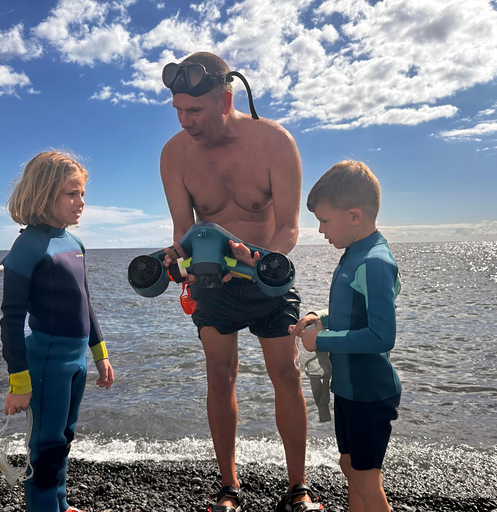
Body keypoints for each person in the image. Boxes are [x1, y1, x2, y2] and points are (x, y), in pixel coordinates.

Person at [160, 51, 323, 512]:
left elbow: (289, 227)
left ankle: (298, 489)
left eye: (195, 111)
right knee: (219, 375)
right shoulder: (174, 154)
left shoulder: (274, 142)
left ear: (226, 98)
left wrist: (263, 260)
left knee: (286, 374)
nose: (185, 121)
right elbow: (182, 229)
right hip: (213, 284)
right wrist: (180, 261)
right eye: (178, 111)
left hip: (268, 280)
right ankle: (229, 488)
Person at [0, 151, 114, 512]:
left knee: (64, 437)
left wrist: (101, 356)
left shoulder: (74, 244)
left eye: (82, 194)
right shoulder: (28, 247)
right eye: (71, 194)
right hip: (47, 361)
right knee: (45, 445)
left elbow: (86, 303)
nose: (80, 203)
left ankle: (60, 503)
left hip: (76, 360)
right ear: (43, 193)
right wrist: (19, 384)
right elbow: (11, 319)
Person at [291, 161, 401, 512]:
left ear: (355, 216)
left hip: (370, 393)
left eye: (324, 221)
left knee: (367, 479)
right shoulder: (353, 254)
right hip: (349, 389)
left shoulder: (375, 262)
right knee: (350, 466)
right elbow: (352, 315)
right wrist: (318, 317)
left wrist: (321, 341)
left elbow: (382, 336)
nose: (320, 230)